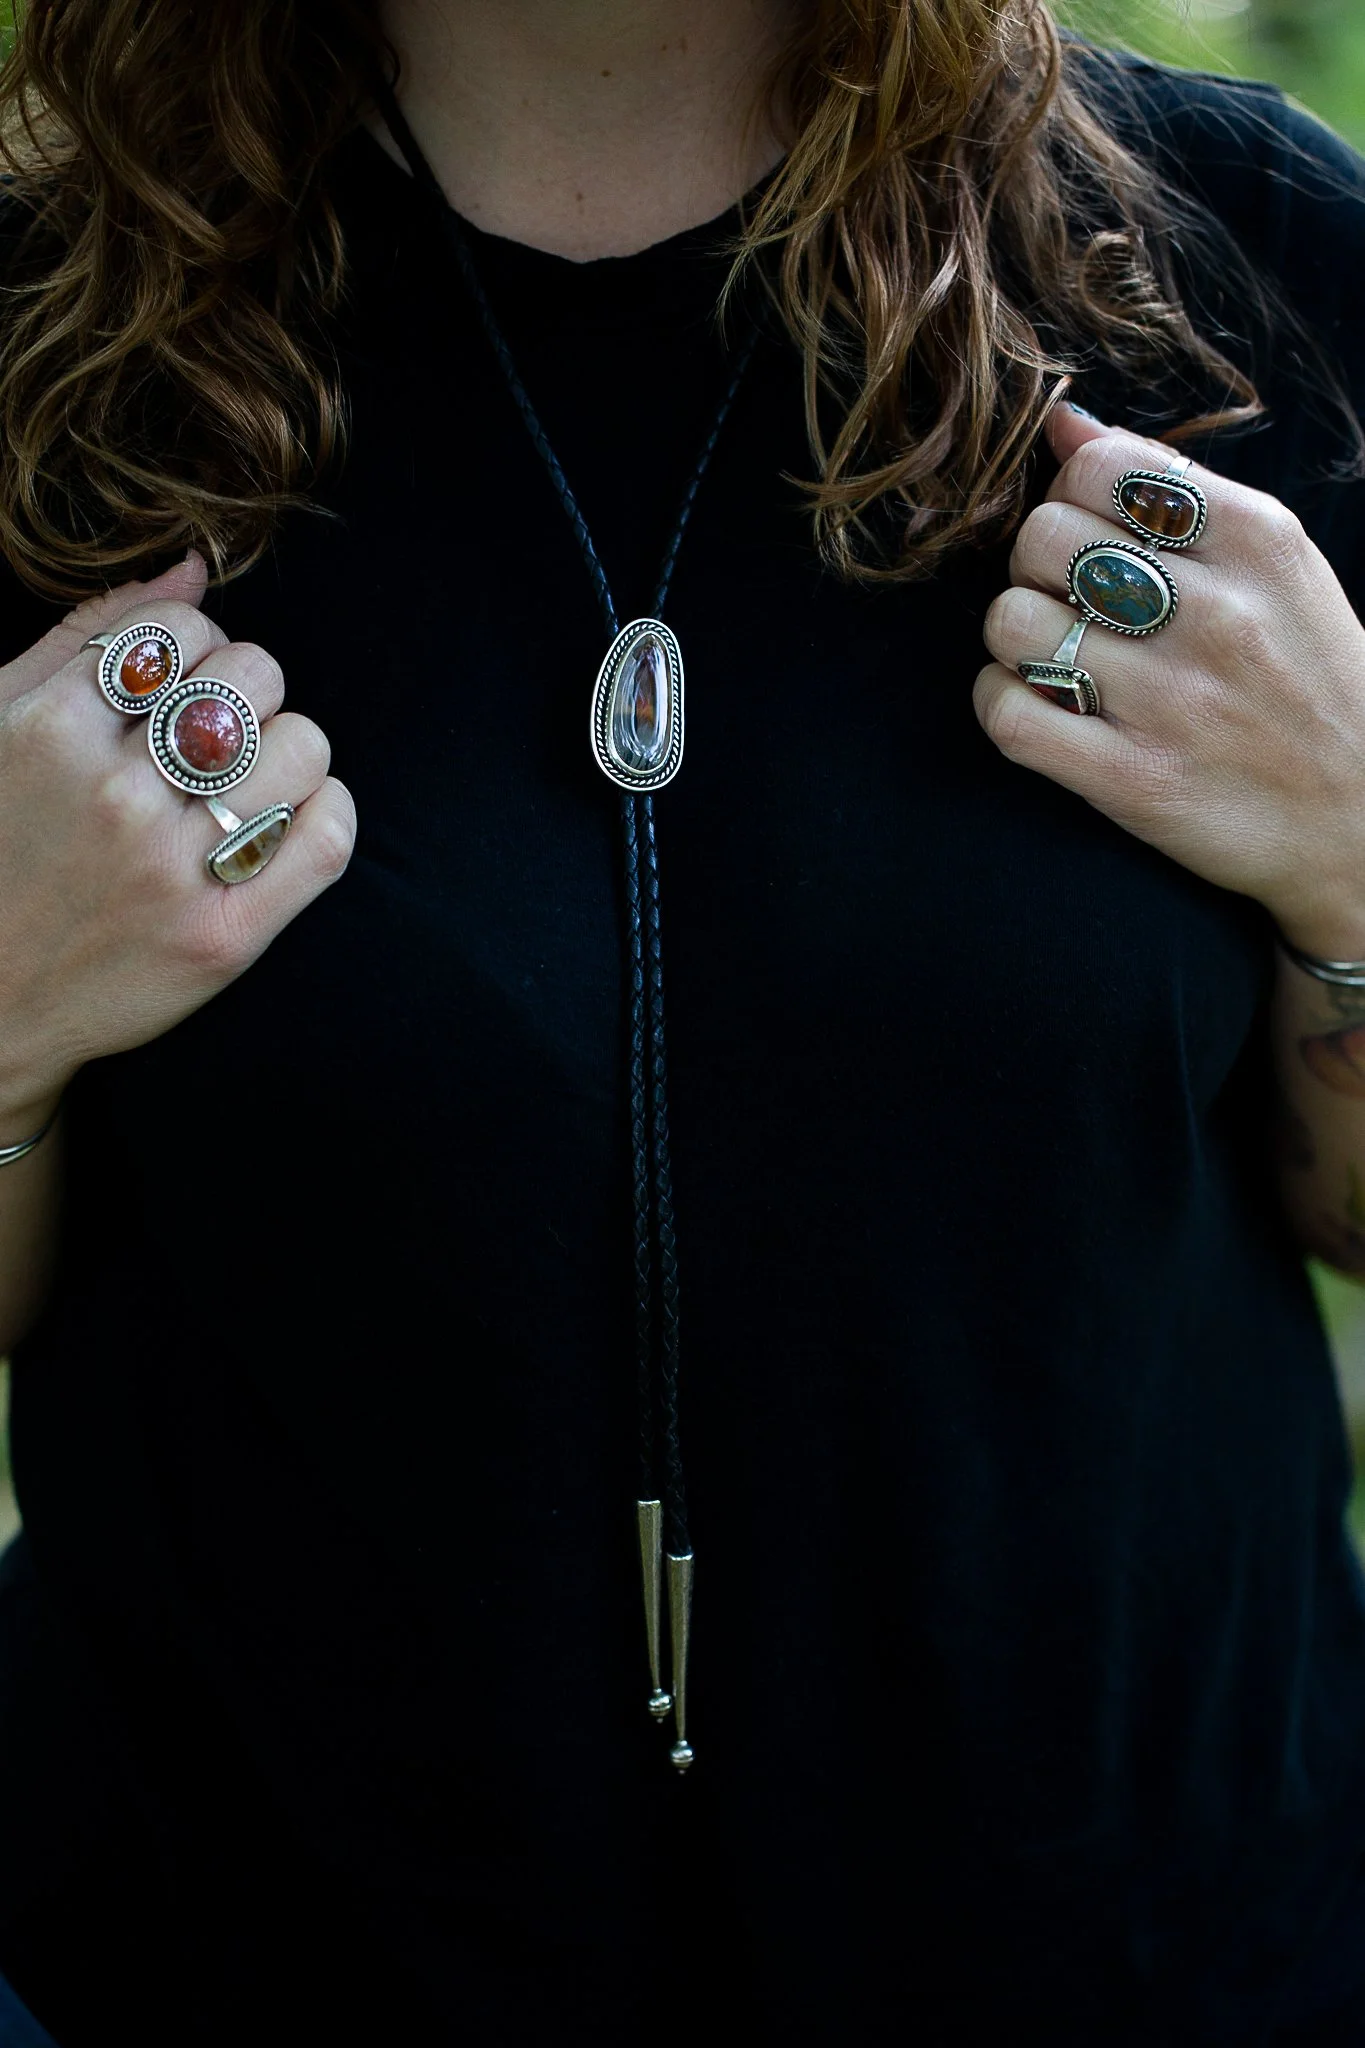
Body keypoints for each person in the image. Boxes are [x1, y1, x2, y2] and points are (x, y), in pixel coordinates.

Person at [1, 0, 1364, 2040]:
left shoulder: (1252, 259)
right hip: (228, 1957)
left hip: (1149, 1957)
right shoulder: (47, 340)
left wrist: (1357, 850)